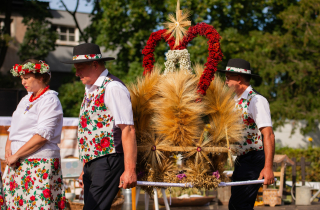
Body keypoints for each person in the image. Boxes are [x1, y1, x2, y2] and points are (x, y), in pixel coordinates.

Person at [61, 43, 137, 210]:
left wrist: (130, 169)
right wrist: (86, 167)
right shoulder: (90, 89)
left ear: (94, 64)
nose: (76, 73)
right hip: (94, 163)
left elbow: (128, 129)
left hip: (108, 159)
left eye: (80, 68)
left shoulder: (113, 87)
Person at [3, 59, 66, 209]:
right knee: (18, 204)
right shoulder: (26, 99)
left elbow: (42, 135)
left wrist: (17, 154)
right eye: (22, 79)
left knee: (37, 204)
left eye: (27, 78)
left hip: (38, 162)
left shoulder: (50, 99)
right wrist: (8, 146)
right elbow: (15, 126)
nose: (23, 82)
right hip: (18, 161)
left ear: (41, 77)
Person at [218, 58, 275, 210]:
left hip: (254, 159)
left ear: (239, 78)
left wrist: (268, 167)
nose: (226, 82)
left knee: (239, 205)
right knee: (237, 205)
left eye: (228, 78)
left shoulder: (256, 100)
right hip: (242, 159)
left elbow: (268, 134)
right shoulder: (235, 101)